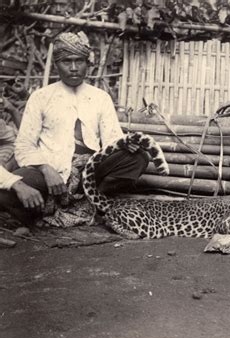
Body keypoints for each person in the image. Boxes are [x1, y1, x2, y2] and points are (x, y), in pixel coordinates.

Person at [0, 31, 148, 227]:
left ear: (87, 63)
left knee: (139, 158)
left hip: (91, 170)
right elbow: (23, 146)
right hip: (51, 169)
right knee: (9, 190)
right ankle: (41, 213)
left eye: (79, 61)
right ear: (56, 64)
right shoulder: (41, 97)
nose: (73, 68)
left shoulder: (100, 97)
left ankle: (93, 200)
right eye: (66, 61)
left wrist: (125, 144)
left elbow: (112, 138)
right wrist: (46, 169)